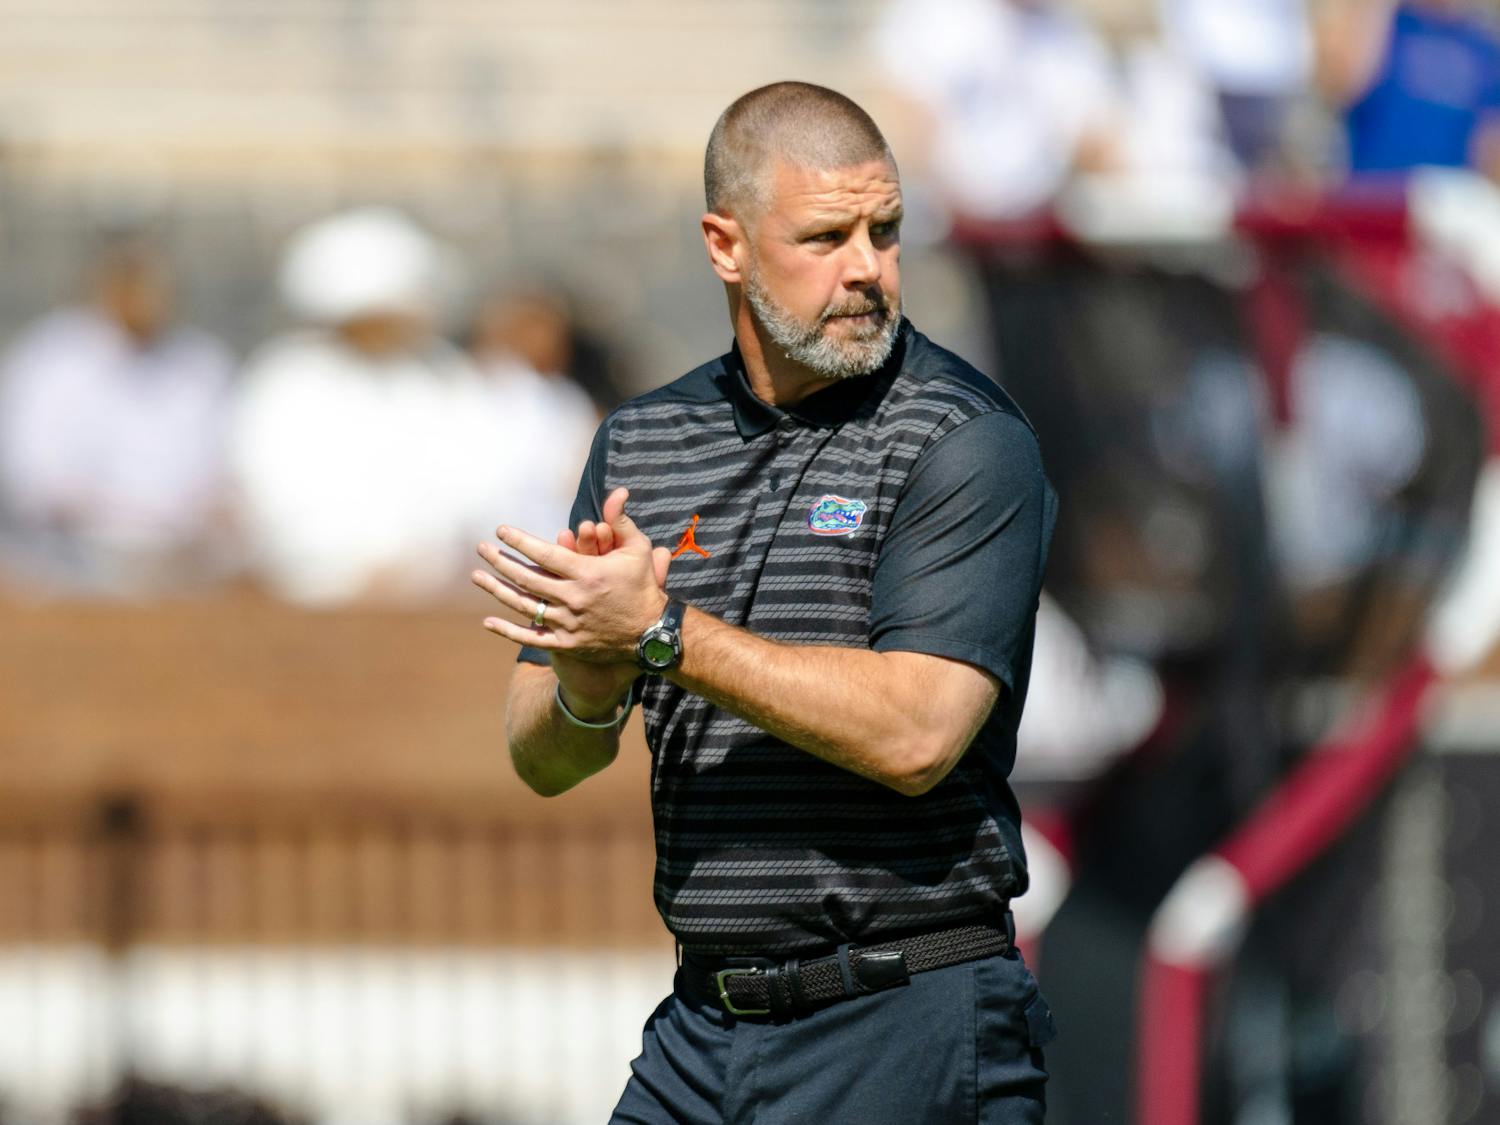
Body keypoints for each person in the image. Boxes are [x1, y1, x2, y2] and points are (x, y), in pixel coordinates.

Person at [473, 83, 1058, 1123]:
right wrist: (593, 672)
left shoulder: (966, 437)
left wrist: (660, 634)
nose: (868, 268)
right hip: (704, 1025)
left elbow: (918, 730)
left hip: (902, 1016)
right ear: (725, 245)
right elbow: (542, 757)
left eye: (886, 231)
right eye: (827, 235)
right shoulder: (640, 444)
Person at [0, 235, 235, 597]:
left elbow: (220, 475)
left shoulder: (199, 364)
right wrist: (129, 520)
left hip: (180, 557)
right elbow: (37, 484)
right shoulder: (51, 361)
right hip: (70, 554)